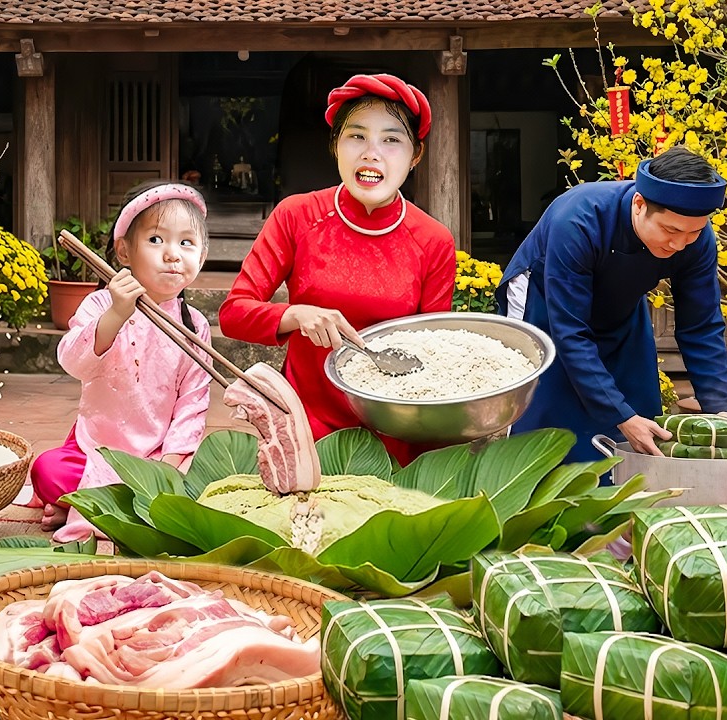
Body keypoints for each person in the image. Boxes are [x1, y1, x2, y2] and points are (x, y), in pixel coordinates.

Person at [217, 73, 457, 463]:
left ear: (416, 156)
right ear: (335, 147)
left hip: (394, 436)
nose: (371, 152)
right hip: (306, 431)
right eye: (356, 136)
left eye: (392, 139)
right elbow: (233, 314)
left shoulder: (433, 240)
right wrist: (294, 314)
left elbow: (428, 354)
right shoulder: (296, 216)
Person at [499, 146, 727, 464]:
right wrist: (619, 415)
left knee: (640, 412)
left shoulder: (697, 238)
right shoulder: (578, 220)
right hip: (544, 301)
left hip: (621, 307)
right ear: (640, 204)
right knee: (546, 409)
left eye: (692, 233)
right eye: (670, 230)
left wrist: (720, 409)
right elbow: (569, 331)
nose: (679, 244)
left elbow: (701, 325)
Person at [31, 182, 213, 542]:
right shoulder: (100, 305)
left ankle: (85, 505)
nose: (173, 255)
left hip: (157, 452)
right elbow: (73, 361)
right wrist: (116, 313)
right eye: (157, 240)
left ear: (202, 255)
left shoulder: (195, 326)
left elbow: (193, 402)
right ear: (124, 251)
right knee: (47, 470)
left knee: (198, 485)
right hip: (96, 445)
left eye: (187, 243)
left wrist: (169, 465)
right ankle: (101, 505)